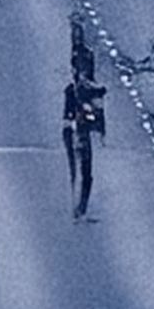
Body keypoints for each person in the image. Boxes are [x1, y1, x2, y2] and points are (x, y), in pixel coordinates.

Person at [62, 66, 100, 215]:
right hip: (72, 132)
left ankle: (82, 205)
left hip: (83, 134)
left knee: (87, 172)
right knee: (73, 168)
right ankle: (73, 201)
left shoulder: (91, 90)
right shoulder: (70, 91)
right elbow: (67, 115)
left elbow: (96, 115)